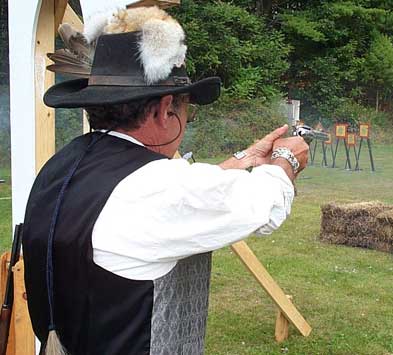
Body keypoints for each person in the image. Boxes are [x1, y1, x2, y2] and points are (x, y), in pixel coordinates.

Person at [21, 6, 308, 355]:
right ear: (164, 108)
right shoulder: (156, 186)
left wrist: (244, 161)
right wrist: (286, 160)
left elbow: (174, 197)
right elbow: (262, 208)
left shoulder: (60, 167)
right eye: (187, 108)